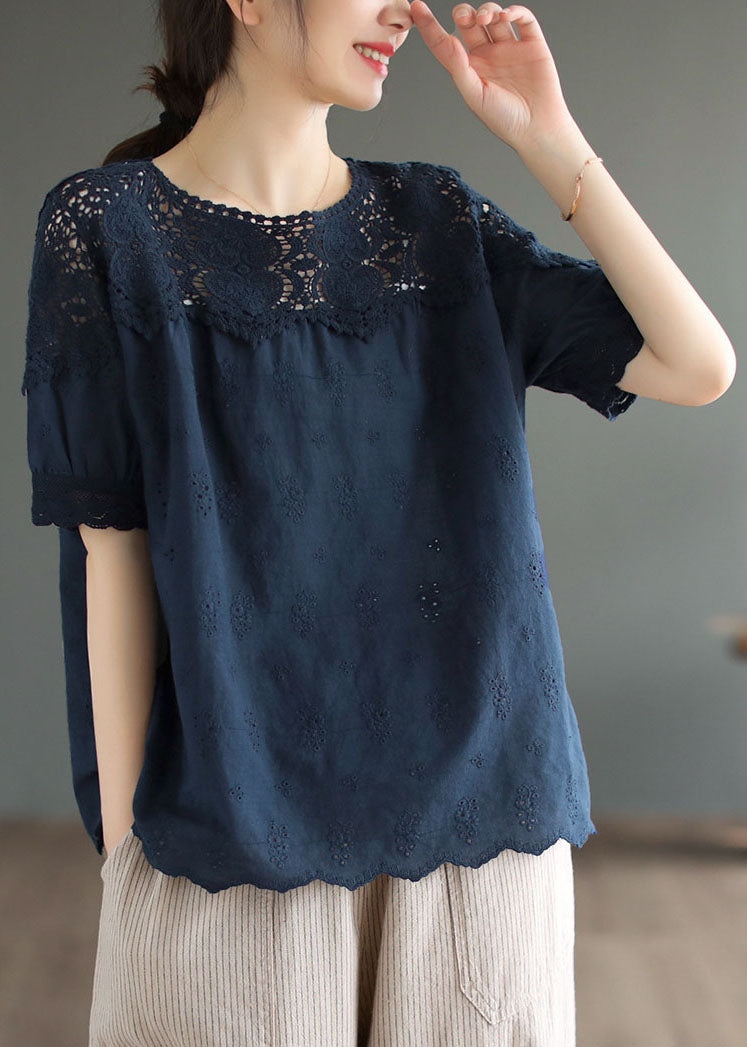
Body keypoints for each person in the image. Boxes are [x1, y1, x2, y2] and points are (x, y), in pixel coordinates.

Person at [21, 1, 735, 1045]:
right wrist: (126, 844)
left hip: (481, 827)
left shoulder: (438, 224)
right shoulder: (105, 226)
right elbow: (107, 544)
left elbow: (697, 363)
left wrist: (548, 137)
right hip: (229, 827)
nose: (403, 7)